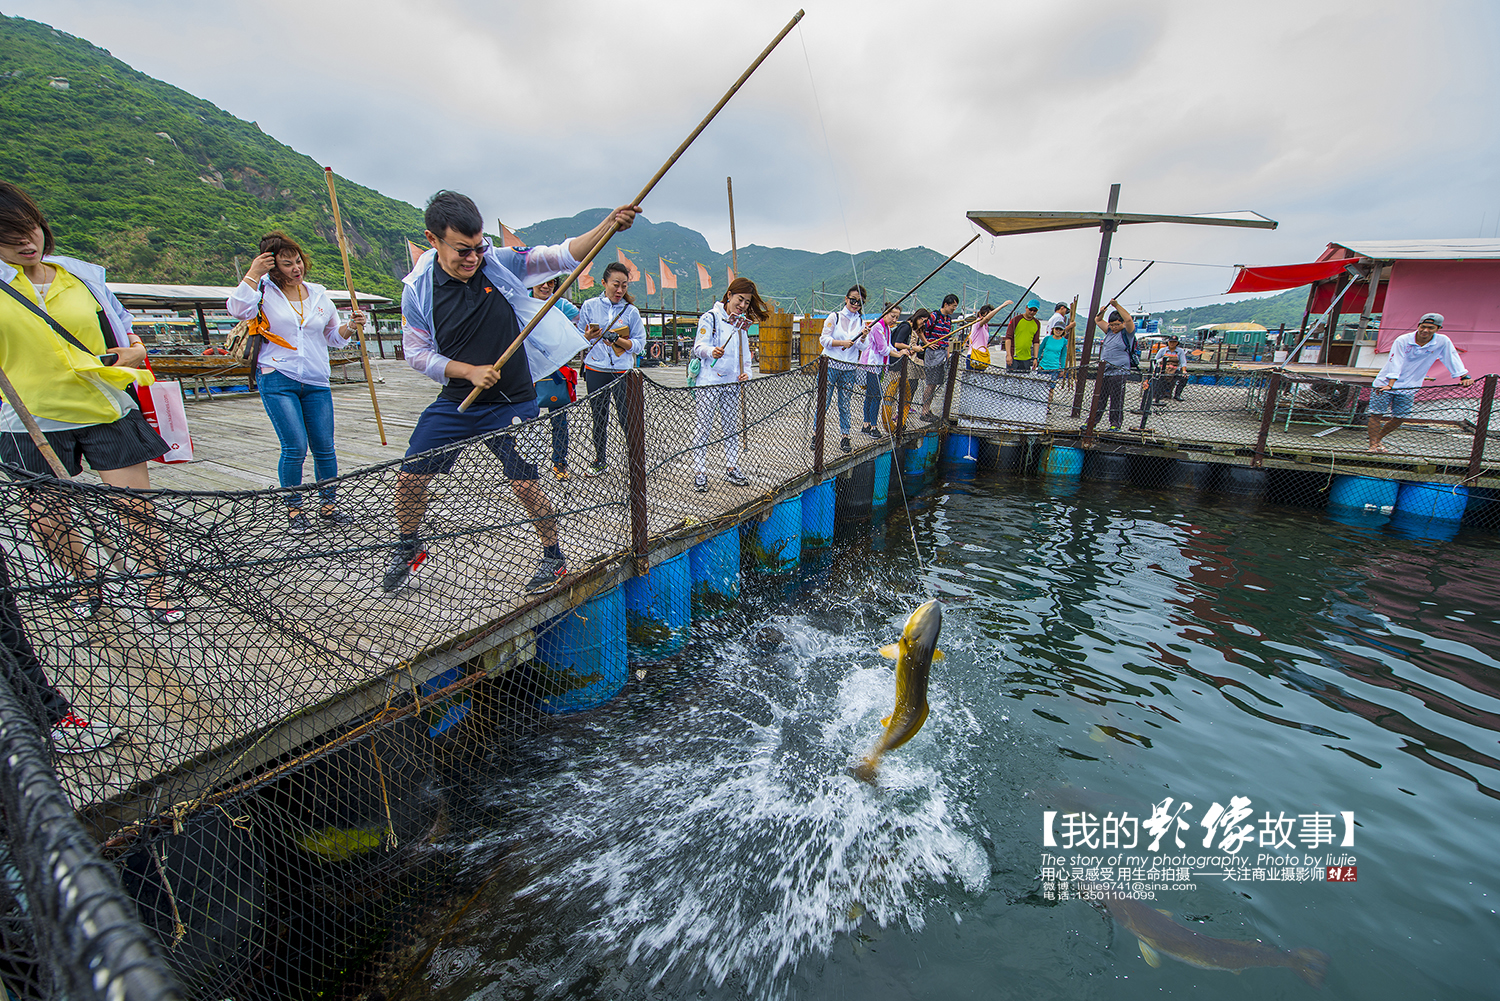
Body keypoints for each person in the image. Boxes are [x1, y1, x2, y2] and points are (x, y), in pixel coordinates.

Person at [383, 190, 639, 594]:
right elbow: (416, 352)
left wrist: (608, 225)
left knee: (524, 482)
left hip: (514, 397)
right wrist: (467, 371)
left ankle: (553, 556)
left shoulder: (497, 263)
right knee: (411, 474)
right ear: (433, 240)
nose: (473, 258)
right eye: (462, 250)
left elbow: (558, 256)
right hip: (458, 398)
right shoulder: (417, 291)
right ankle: (408, 545)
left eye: (478, 247)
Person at [0, 181, 182, 625]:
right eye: (9, 235)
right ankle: (84, 580)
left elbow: (124, 327)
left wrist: (135, 350)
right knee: (47, 519)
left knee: (136, 509)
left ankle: (156, 590)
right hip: (28, 420)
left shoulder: (81, 276)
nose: (27, 242)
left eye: (31, 229)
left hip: (103, 406)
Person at [228, 232, 366, 534]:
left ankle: (328, 506)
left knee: (325, 447)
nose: (296, 268)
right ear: (273, 265)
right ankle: (294, 510)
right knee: (294, 446)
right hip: (277, 377)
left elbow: (332, 338)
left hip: (316, 380)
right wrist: (254, 272)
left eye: (298, 261)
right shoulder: (263, 291)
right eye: (287, 263)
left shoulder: (318, 294)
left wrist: (350, 327)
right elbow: (237, 309)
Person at [691, 276, 767, 491]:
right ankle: (699, 470)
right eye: (739, 299)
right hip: (709, 381)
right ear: (729, 295)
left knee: (730, 426)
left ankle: (732, 467)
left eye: (746, 302)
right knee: (703, 425)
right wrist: (711, 351)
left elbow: (745, 355)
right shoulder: (710, 318)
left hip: (732, 383)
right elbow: (699, 347)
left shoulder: (741, 323)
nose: (742, 305)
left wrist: (747, 374)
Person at [574, 262, 646, 476]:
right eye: (616, 284)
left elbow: (640, 344)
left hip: (622, 371)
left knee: (628, 418)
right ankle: (600, 461)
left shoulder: (631, 311)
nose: (620, 290)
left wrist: (619, 341)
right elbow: (578, 339)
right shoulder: (589, 306)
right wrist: (588, 337)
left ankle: (636, 462)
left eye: (624, 286)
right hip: (596, 369)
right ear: (604, 283)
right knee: (599, 417)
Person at [1367, 312, 1473, 453]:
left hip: (1410, 385)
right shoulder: (1403, 340)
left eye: (1430, 328)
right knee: (1376, 414)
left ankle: (1378, 440)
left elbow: (1451, 357)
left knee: (1400, 417)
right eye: (1423, 327)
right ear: (1418, 326)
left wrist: (1463, 376)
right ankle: (1373, 445)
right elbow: (1395, 361)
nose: (1425, 331)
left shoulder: (1442, 341)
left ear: (1438, 328)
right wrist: (1390, 384)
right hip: (1385, 383)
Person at [530, 276, 579, 480]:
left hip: (555, 370)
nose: (546, 286)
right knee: (526, 420)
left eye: (551, 282)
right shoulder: (521, 301)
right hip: (528, 371)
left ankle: (559, 463)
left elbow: (579, 319)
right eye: (542, 281)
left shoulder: (561, 303)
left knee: (559, 421)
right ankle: (526, 464)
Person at [819, 285, 872, 453]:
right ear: (846, 299)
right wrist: (842, 343)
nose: (856, 304)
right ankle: (816, 433)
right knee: (824, 402)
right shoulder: (834, 317)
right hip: (831, 365)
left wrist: (863, 336)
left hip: (849, 368)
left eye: (860, 302)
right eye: (853, 300)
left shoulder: (861, 322)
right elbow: (824, 339)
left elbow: (864, 346)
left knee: (845, 403)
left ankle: (845, 436)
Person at [1088, 298, 1136, 431]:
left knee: (1116, 399)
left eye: (1116, 324)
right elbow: (1097, 320)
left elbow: (1129, 320)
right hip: (1105, 370)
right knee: (1099, 397)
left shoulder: (1127, 333)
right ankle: (1092, 421)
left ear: (1121, 323)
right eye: (1111, 325)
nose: (1114, 327)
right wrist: (1102, 312)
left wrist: (1117, 306)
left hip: (1119, 371)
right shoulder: (1109, 331)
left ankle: (1115, 423)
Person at [856, 302, 901, 437]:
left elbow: (889, 346)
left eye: (896, 317)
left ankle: (866, 424)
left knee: (871, 394)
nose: (894, 320)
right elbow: (883, 349)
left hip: (879, 366)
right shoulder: (877, 326)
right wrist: (899, 354)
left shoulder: (886, 328)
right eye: (892, 316)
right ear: (885, 313)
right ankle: (873, 426)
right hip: (871, 365)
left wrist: (902, 351)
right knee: (876, 395)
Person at [884, 308, 926, 430]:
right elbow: (897, 344)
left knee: (899, 390)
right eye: (922, 321)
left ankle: (897, 419)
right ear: (917, 318)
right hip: (896, 361)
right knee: (894, 390)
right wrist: (912, 347)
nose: (922, 324)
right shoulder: (906, 327)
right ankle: (892, 419)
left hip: (899, 361)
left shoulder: (909, 327)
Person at [919, 294, 959, 421]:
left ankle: (928, 409)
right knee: (931, 382)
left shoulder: (948, 320)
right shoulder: (934, 316)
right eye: (953, 306)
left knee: (936, 383)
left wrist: (947, 355)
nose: (954, 309)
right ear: (946, 304)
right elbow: (920, 329)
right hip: (933, 352)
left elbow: (946, 339)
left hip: (942, 352)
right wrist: (927, 343)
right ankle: (924, 411)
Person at [1036, 310, 1070, 402]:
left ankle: (1048, 406)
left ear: (1063, 331)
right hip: (1043, 366)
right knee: (1040, 388)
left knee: (1051, 388)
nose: (1058, 331)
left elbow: (1063, 356)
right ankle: (1039, 405)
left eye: (1060, 329)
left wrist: (1062, 368)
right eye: (1056, 329)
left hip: (1054, 368)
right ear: (1053, 329)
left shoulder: (1064, 341)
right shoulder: (1047, 339)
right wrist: (1036, 360)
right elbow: (1040, 350)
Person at [1005, 299, 1043, 372]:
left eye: (1034, 310)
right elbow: (1008, 338)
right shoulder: (1016, 320)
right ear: (1026, 307)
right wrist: (1008, 355)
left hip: (1026, 358)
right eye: (1030, 309)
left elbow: (1036, 342)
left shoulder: (1037, 323)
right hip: (1014, 357)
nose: (1032, 312)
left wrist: (1035, 358)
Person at [1152, 334, 1190, 404]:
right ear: (1168, 342)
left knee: (1184, 378)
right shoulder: (1162, 350)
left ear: (1177, 343)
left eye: (1174, 342)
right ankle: (1159, 394)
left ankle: (1177, 394)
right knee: (1160, 378)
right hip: (1163, 369)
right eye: (1171, 342)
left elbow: (1183, 362)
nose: (1172, 344)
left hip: (1174, 369)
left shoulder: (1180, 351)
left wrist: (1184, 371)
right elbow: (1155, 360)